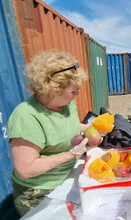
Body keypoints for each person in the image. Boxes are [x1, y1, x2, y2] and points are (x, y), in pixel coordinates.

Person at [8, 50, 94, 216]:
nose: (77, 95)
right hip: (37, 193)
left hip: (65, 178)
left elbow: (64, 124)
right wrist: (71, 154)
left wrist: (90, 128)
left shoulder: (67, 103)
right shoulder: (26, 117)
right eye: (73, 91)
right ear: (52, 89)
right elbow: (25, 169)